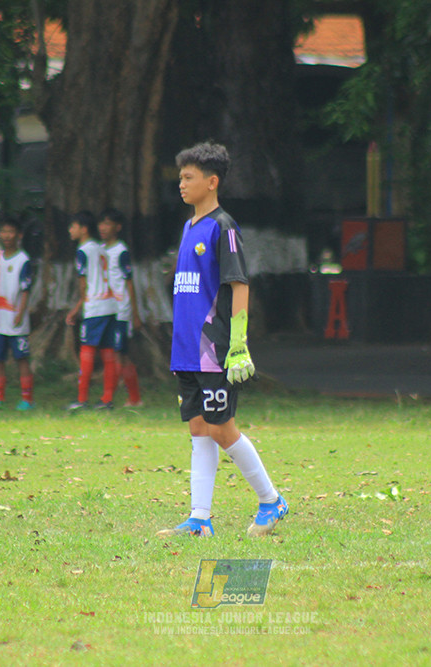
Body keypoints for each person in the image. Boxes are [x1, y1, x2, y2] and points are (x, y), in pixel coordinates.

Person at [156, 141, 288, 538]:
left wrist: (238, 343)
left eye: (189, 177)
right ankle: (199, 518)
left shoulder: (223, 227)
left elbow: (238, 284)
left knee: (222, 429)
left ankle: (271, 500)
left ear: (212, 182)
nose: (181, 184)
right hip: (185, 351)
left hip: (213, 348)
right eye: (180, 177)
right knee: (199, 428)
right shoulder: (188, 226)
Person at [64, 210, 118, 410]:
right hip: (110, 304)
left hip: (95, 306)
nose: (70, 230)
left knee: (86, 350)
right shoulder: (100, 248)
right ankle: (107, 399)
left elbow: (83, 284)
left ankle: (82, 399)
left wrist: (76, 308)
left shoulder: (83, 250)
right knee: (108, 352)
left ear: (83, 229)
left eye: (73, 226)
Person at [0, 215, 35, 411]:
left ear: (19, 235)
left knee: (21, 358)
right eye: (3, 231)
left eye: (11, 232)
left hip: (16, 319)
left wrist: (20, 313)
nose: (6, 235)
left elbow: (25, 290)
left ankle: (27, 399)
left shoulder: (23, 261)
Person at [99, 207, 143, 407]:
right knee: (110, 352)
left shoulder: (121, 251)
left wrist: (134, 312)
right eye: (102, 223)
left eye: (108, 223)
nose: (103, 228)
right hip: (104, 308)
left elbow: (129, 282)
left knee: (120, 353)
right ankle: (113, 397)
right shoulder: (99, 250)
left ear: (117, 227)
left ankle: (131, 398)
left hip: (120, 310)